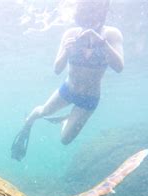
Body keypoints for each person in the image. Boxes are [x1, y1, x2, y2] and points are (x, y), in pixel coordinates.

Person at [11, 0, 124, 161]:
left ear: (102, 14)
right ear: (79, 16)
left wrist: (103, 44)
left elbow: (119, 67)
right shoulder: (71, 34)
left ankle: (67, 120)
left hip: (89, 98)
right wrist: (66, 51)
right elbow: (57, 69)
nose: (89, 21)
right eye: (84, 17)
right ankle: (28, 122)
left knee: (65, 140)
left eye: (93, 15)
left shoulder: (111, 34)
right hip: (68, 90)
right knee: (43, 112)